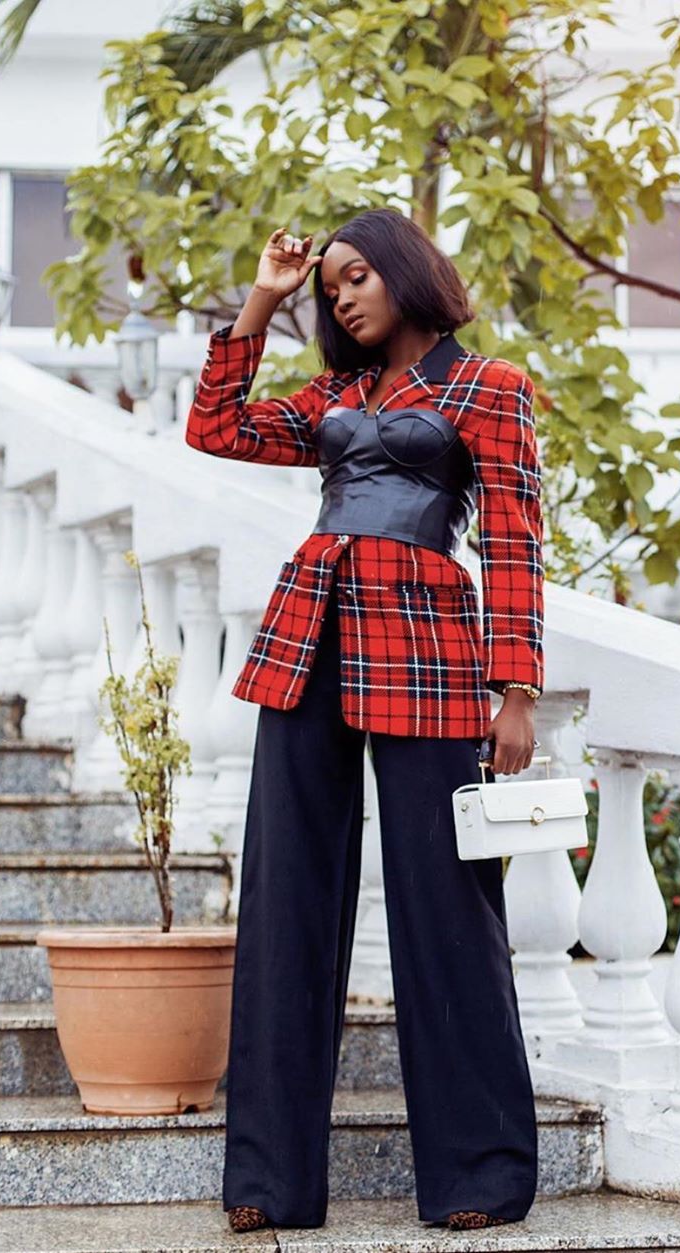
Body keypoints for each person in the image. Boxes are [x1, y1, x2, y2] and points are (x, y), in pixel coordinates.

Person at [184, 208, 546, 1234]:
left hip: (427, 650)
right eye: (329, 285)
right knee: (285, 897)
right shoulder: (332, 395)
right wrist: (264, 296)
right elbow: (215, 427)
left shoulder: (490, 387)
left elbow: (514, 540)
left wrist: (516, 688)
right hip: (307, 638)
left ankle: (480, 1173)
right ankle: (269, 1180)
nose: (341, 297)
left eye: (357, 276)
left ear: (403, 271)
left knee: (448, 904)